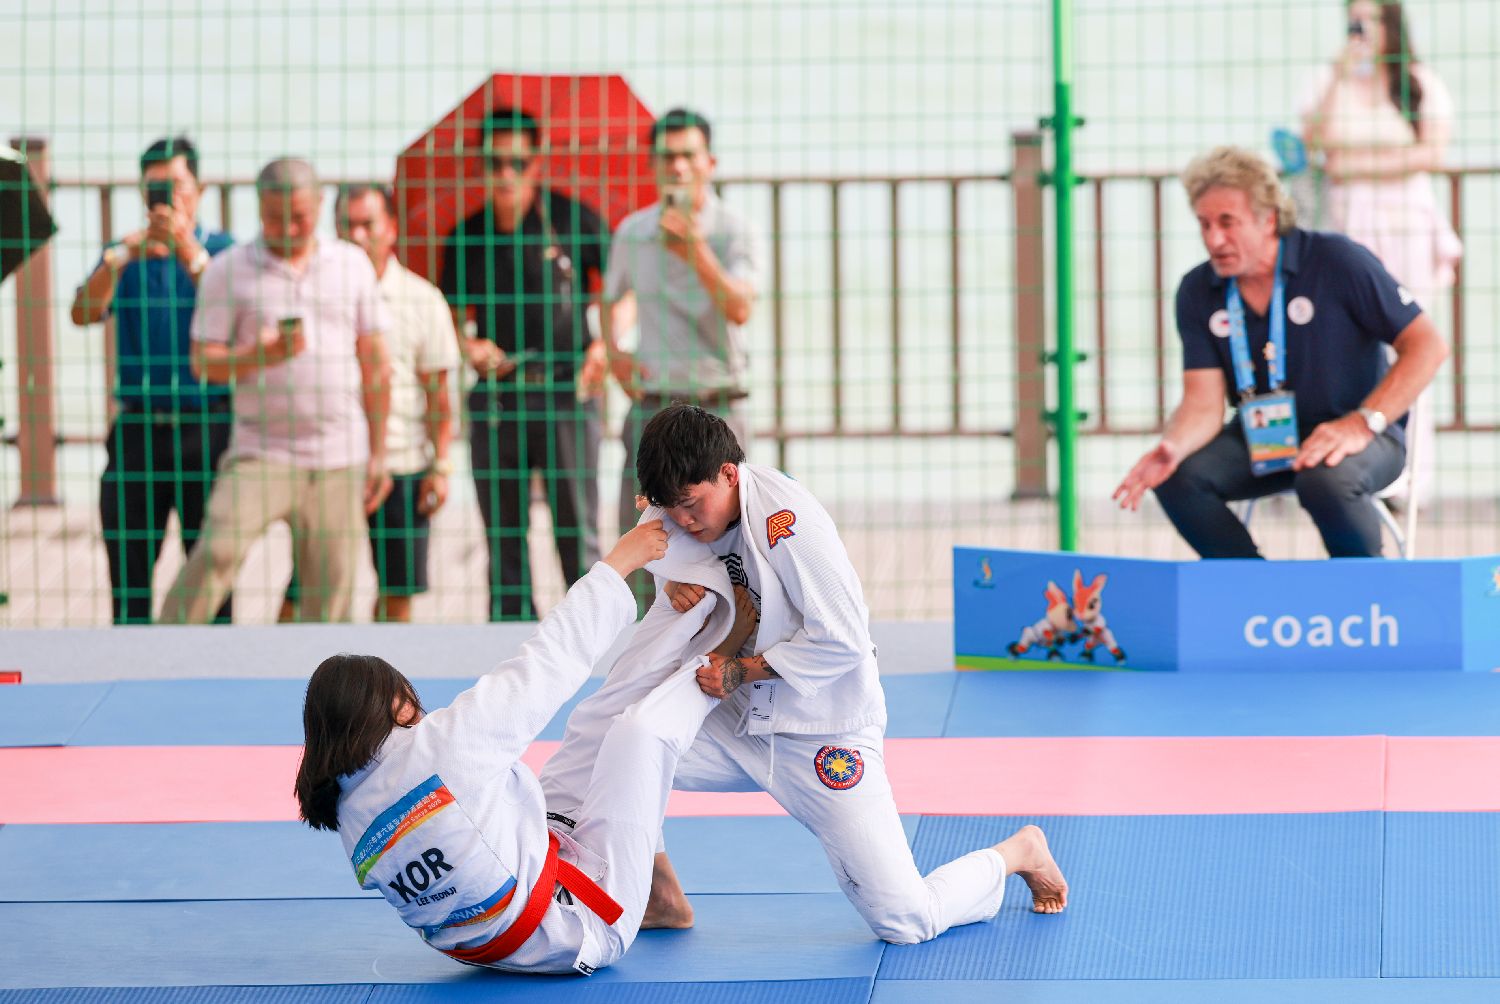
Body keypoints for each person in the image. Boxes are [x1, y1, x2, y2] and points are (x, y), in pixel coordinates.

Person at [542, 405, 1068, 943]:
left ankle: (1017, 853)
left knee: (906, 919)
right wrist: (669, 579)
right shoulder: (677, 507)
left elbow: (844, 640)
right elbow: (659, 541)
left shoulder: (788, 524)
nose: (683, 521)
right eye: (669, 508)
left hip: (819, 729)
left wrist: (741, 670)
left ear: (729, 473)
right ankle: (659, 894)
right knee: (623, 741)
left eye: (691, 505)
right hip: (728, 718)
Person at [294, 517, 761, 974]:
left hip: (503, 936)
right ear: (396, 706)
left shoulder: (349, 810)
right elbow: (548, 658)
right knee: (639, 737)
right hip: (582, 926)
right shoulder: (440, 748)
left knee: (594, 727)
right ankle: (720, 661)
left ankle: (662, 901)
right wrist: (618, 564)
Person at [1113, 146, 1449, 558]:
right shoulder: (1198, 290)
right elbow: (1202, 403)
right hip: (1264, 438)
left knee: (1324, 477)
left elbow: (1427, 345)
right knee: (1176, 476)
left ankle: (1367, 591)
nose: (1213, 239)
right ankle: (1255, 587)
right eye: (1204, 224)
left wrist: (1362, 423)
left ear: (1268, 219)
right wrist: (1173, 446)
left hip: (1361, 435)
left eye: (1227, 223)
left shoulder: (1337, 260)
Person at [159, 158, 393, 623]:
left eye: (299, 216)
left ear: (320, 205)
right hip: (260, 451)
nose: (287, 228)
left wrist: (379, 453)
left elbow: (377, 366)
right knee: (216, 554)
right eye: (273, 217)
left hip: (338, 455)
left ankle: (321, 672)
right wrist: (259, 355)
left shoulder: (351, 265)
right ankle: (162, 649)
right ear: (259, 208)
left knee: (330, 593)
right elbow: (203, 363)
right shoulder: (228, 270)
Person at [439, 107, 609, 621]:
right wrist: (470, 347)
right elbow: (450, 318)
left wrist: (606, 345)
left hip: (567, 392)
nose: (506, 174)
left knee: (576, 532)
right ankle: (510, 643)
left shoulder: (572, 219)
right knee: (503, 538)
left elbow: (622, 288)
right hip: (499, 397)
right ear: (481, 166)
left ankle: (591, 638)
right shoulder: (467, 235)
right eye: (495, 163)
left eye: (517, 162)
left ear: (536, 162)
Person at [600, 108, 765, 609]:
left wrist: (694, 248)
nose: (677, 167)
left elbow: (740, 307)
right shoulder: (633, 231)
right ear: (652, 164)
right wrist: (614, 354)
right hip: (654, 403)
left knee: (737, 540)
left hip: (718, 404)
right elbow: (610, 298)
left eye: (688, 155)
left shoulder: (733, 230)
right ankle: (639, 643)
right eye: (667, 156)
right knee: (641, 539)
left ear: (709, 162)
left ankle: (736, 641)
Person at [1300, 0, 1461, 507]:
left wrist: (1355, 165)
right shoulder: (1331, 82)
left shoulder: (1418, 84)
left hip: (1405, 225)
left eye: (1370, 20)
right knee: (1348, 346)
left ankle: (1412, 475)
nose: (1362, 30)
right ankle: (1352, 464)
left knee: (1412, 343)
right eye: (1354, 21)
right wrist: (1339, 71)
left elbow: (1430, 152)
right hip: (1349, 226)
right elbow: (1315, 143)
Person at [68, 136, 234, 624]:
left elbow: (235, 311)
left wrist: (187, 250)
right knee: (128, 575)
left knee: (212, 577)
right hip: (138, 428)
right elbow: (83, 312)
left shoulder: (221, 250)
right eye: (157, 187)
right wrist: (120, 257)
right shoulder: (124, 254)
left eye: (177, 185)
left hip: (207, 426)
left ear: (199, 189)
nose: (168, 197)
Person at [280, 184, 458, 623]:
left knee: (397, 595)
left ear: (391, 229)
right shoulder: (310, 294)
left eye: (367, 224)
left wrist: (441, 467)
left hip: (401, 464)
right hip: (330, 463)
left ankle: (381, 670)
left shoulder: (423, 299)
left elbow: (438, 395)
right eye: (347, 225)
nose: (357, 235)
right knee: (302, 592)